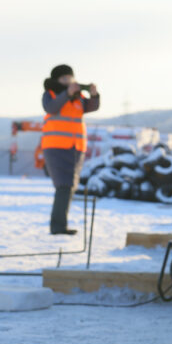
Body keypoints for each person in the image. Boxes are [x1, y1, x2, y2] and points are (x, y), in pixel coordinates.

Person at [41, 64, 99, 235]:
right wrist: (66, 94)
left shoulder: (78, 97)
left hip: (75, 147)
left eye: (70, 77)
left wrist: (94, 95)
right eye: (64, 78)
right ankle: (58, 227)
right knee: (63, 186)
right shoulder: (50, 94)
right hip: (56, 147)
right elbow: (51, 108)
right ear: (56, 80)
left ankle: (60, 225)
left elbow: (91, 106)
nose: (69, 81)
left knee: (70, 187)